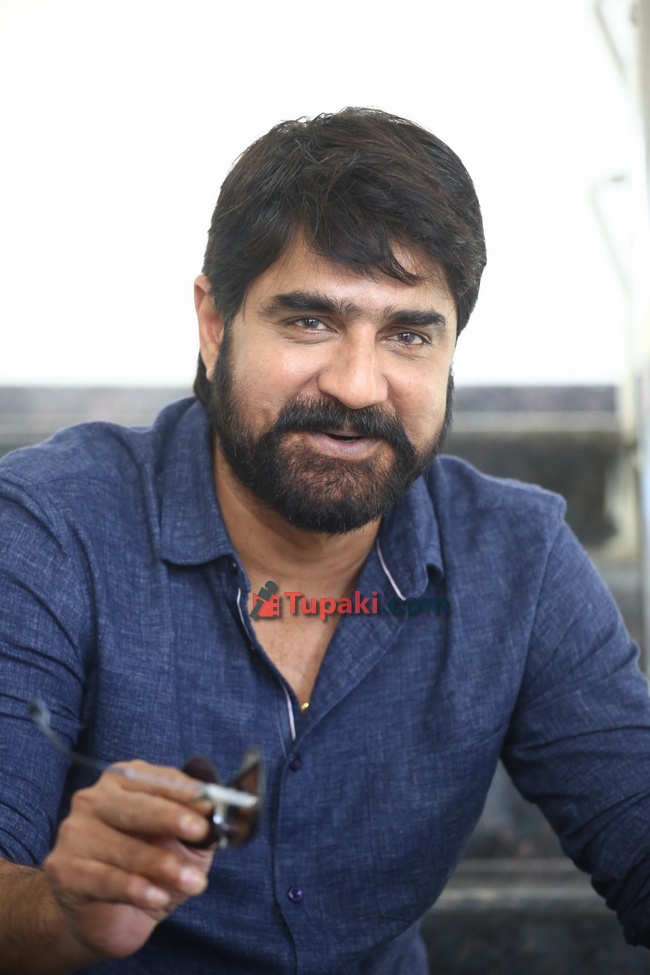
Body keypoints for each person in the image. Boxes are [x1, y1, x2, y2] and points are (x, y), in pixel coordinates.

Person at [1, 107, 649, 975]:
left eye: (408, 335)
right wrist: (60, 913)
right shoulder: (51, 528)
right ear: (214, 322)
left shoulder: (517, 559)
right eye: (310, 322)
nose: (356, 385)